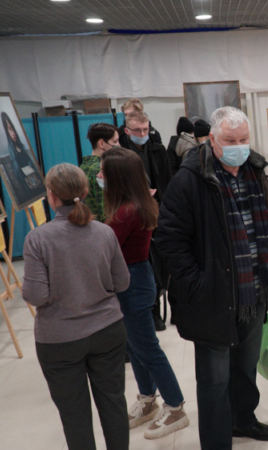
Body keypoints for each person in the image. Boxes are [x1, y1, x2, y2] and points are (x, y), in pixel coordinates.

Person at [156, 106, 268, 449]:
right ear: (212, 140)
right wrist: (197, 284)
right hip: (213, 296)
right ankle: (216, 442)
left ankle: (244, 420)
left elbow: (267, 225)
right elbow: (169, 239)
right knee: (214, 379)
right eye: (230, 140)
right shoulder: (189, 179)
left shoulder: (255, 170)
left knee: (245, 366)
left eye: (244, 139)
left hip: (254, 290)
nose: (239, 146)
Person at [22, 163, 130, 450]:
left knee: (75, 416)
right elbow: (122, 282)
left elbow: (36, 295)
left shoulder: (38, 239)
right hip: (107, 330)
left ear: (52, 195)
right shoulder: (104, 232)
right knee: (114, 404)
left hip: (59, 340)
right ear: (84, 191)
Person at [99, 147, 190, 439]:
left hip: (132, 282)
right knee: (136, 347)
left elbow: (103, 247)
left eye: (103, 172)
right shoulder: (136, 202)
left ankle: (175, 406)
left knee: (147, 349)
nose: (99, 176)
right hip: (134, 279)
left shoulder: (126, 212)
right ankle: (147, 398)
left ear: (117, 178)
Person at [119, 111, 172, 332]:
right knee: (146, 264)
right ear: (127, 131)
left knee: (164, 262)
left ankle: (166, 308)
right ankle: (152, 311)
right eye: (138, 130)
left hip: (159, 212)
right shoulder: (121, 154)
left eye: (145, 129)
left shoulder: (158, 149)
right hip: (136, 215)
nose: (143, 134)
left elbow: (168, 181)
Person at [81, 123, 119, 222]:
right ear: (101, 143)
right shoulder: (101, 171)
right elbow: (105, 213)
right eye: (115, 141)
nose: (118, 145)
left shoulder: (83, 167)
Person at [1, 112, 42, 203]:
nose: (13, 133)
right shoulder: (12, 152)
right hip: (27, 186)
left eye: (13, 129)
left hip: (35, 181)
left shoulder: (22, 147)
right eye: (10, 129)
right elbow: (17, 174)